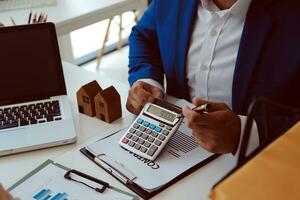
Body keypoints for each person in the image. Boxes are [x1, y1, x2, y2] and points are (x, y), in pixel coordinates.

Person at [126, 0, 300, 154]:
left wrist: (246, 133)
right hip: (172, 146)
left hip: (262, 162)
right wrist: (147, 79)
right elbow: (144, 36)